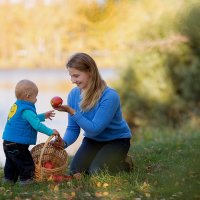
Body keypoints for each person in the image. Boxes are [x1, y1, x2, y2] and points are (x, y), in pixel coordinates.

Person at [54, 52, 133, 175]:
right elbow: (73, 128)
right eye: (71, 76)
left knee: (96, 172)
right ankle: (102, 159)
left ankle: (125, 164)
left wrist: (73, 112)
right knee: (75, 172)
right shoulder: (74, 94)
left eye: (76, 76)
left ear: (90, 71)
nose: (73, 81)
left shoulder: (110, 96)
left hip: (117, 140)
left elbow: (95, 129)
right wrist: (63, 143)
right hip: (93, 140)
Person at [2, 79, 59, 185]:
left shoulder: (18, 106)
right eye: (35, 96)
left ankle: (8, 181)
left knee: (11, 163)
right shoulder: (27, 110)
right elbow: (37, 125)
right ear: (28, 96)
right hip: (17, 144)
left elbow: (29, 119)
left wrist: (43, 116)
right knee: (26, 163)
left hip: (8, 142)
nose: (36, 99)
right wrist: (51, 132)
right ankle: (26, 182)